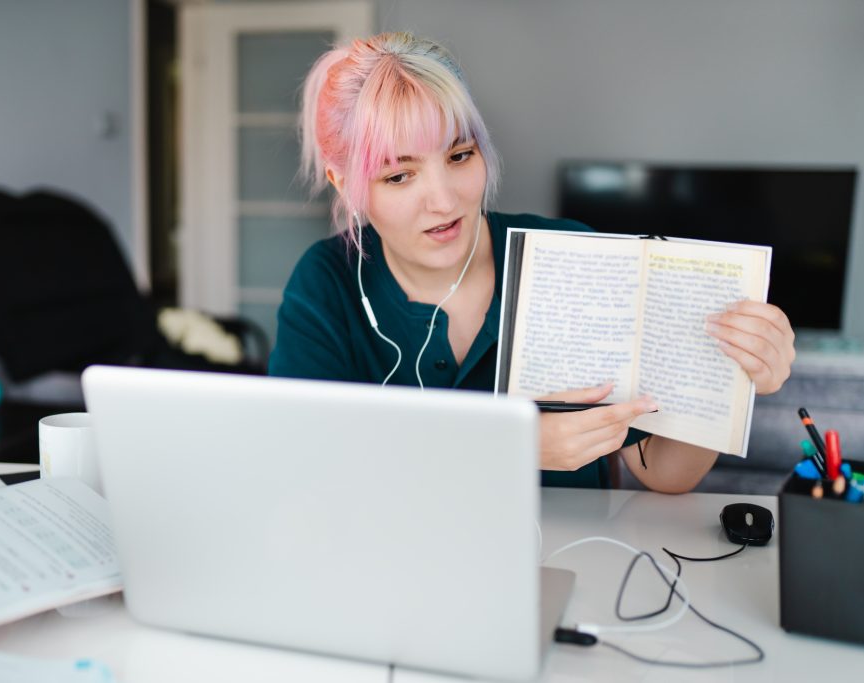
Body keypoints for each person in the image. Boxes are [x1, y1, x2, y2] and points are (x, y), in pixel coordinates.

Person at [269, 32, 795, 493]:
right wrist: (511, 446)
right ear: (346, 185)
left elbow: (661, 470)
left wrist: (730, 370)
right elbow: (307, 471)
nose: (445, 200)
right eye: (399, 176)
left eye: (459, 156)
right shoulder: (327, 284)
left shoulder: (573, 259)